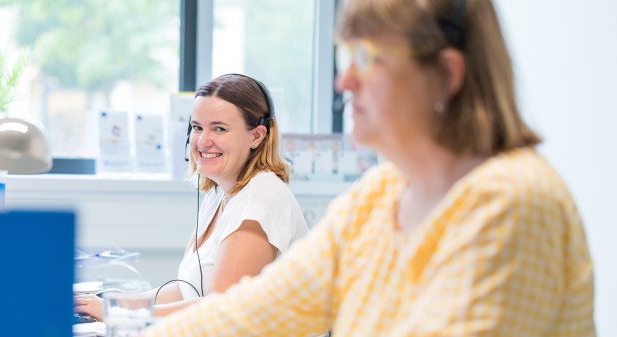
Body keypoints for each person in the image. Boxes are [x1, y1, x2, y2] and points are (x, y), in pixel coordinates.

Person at [145, 0, 596, 336]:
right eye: (345, 58)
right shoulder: (380, 195)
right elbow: (252, 312)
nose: (344, 82)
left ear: (446, 75)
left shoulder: (512, 200)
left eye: (367, 58)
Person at [74, 73, 309, 320]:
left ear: (257, 136)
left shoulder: (261, 199)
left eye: (219, 128)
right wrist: (113, 303)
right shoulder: (219, 194)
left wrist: (118, 312)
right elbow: (186, 291)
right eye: (197, 127)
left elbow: (220, 311)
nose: (203, 141)